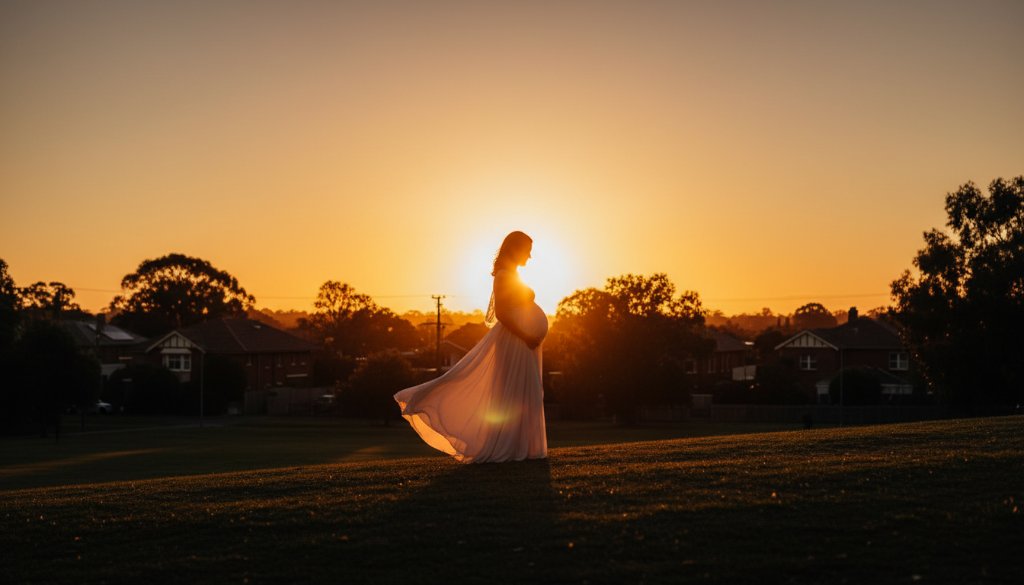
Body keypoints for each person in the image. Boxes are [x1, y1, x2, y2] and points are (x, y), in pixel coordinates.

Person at [394, 231, 549, 463]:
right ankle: (509, 448)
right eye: (527, 250)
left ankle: (524, 448)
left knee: (525, 392)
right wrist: (526, 336)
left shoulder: (514, 275)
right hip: (516, 342)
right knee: (513, 394)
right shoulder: (504, 275)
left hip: (524, 342)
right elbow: (502, 313)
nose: (530, 256)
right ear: (516, 249)